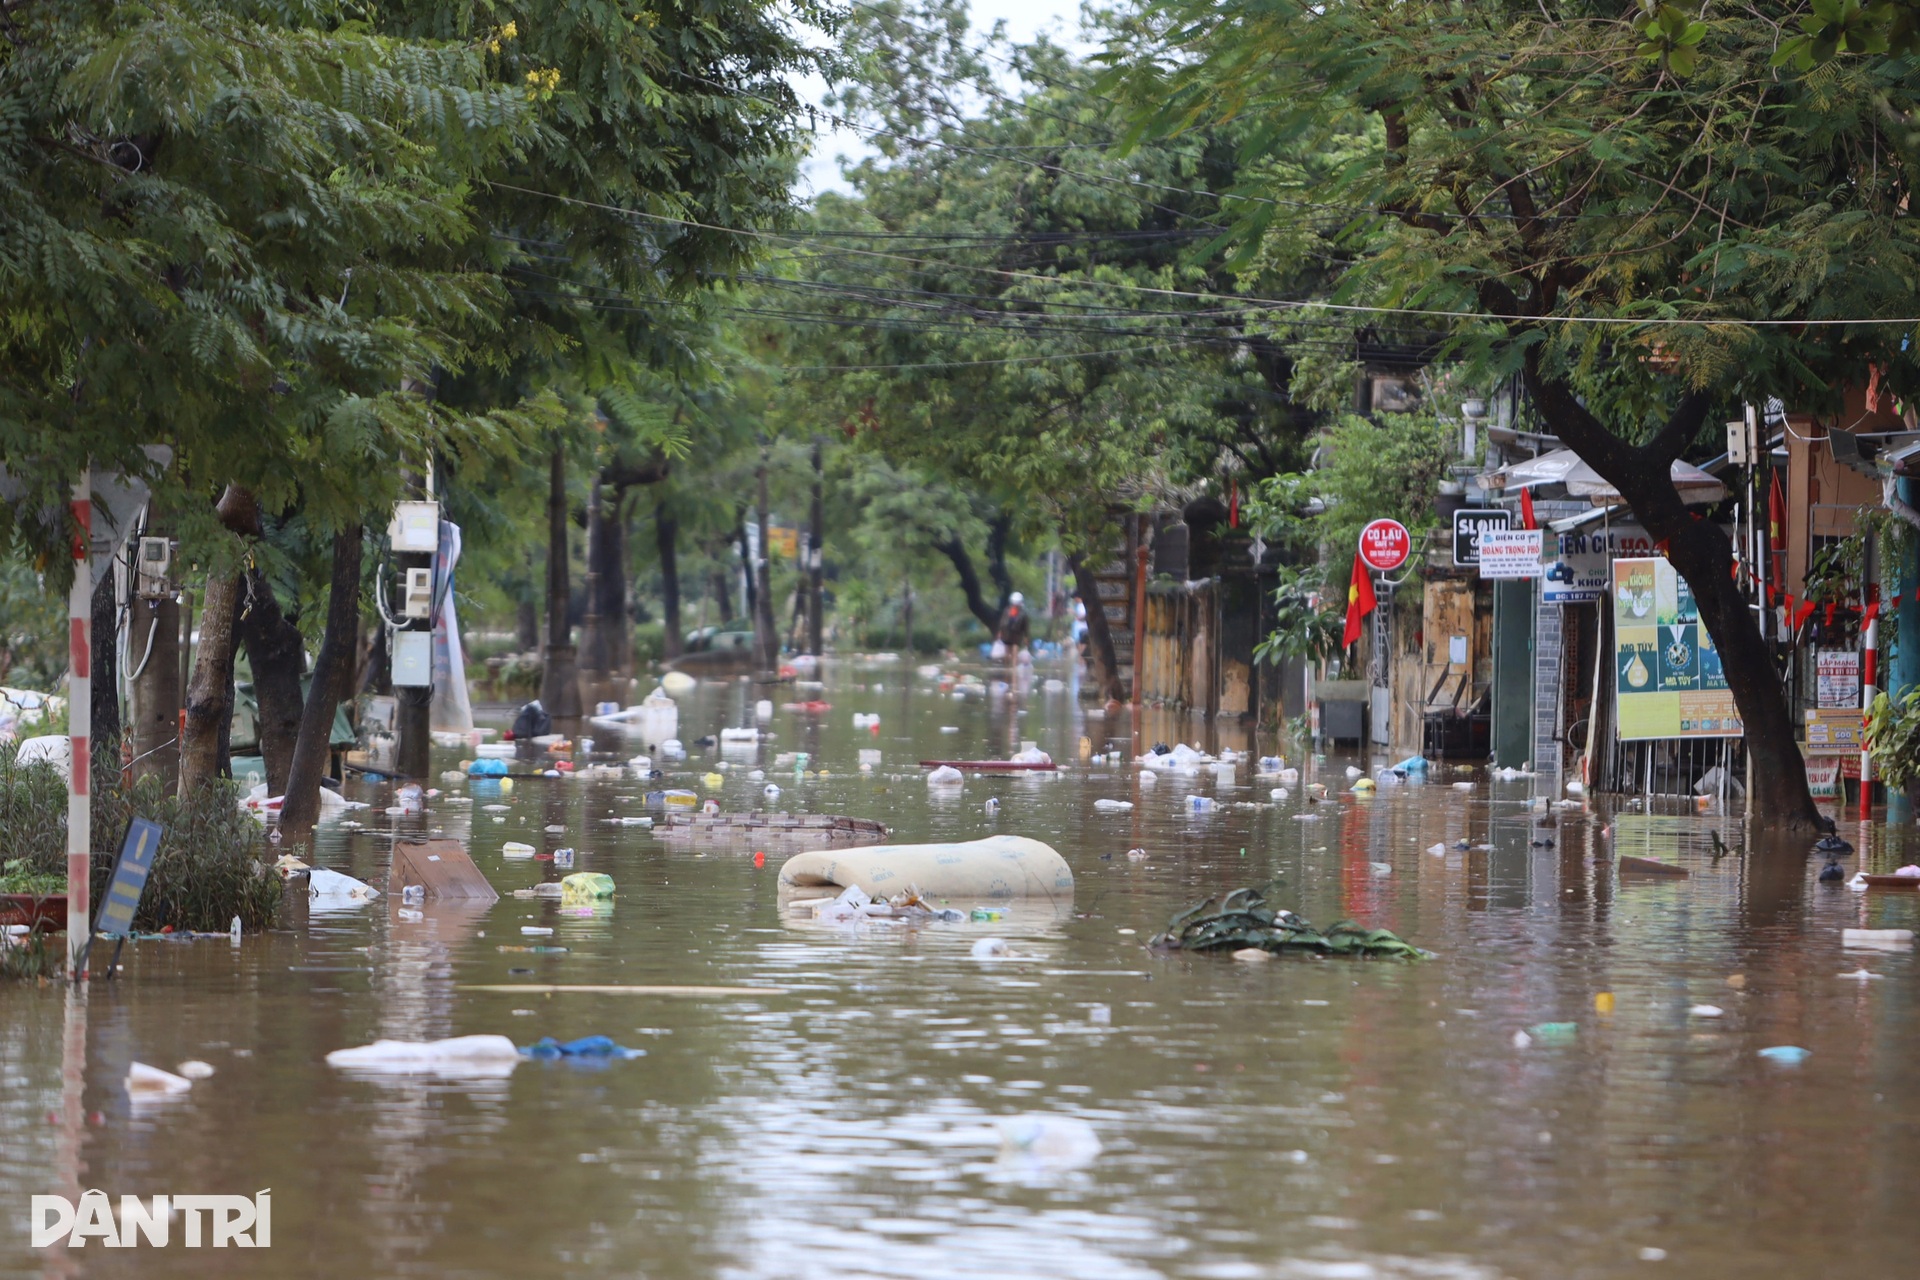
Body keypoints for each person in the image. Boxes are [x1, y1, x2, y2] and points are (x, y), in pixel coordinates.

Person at [996, 591, 1032, 666]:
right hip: (1011, 635)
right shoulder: (1011, 611)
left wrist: (1026, 637)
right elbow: (1003, 622)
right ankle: (1010, 670)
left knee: (1011, 653)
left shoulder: (1011, 611)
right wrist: (1000, 632)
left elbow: (1025, 626)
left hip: (1013, 635)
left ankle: (1011, 671)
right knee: (1010, 653)